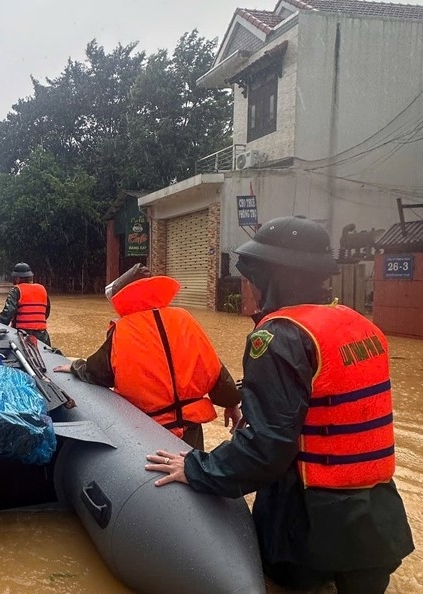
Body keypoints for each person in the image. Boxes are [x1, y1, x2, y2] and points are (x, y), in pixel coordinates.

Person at [146, 216, 414, 593]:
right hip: (377, 524)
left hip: (308, 526)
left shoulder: (279, 335)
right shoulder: (360, 324)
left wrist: (197, 468)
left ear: (273, 277)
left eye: (256, 276)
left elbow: (266, 448)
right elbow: (329, 397)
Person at [54, 264, 242, 449]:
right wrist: (232, 403)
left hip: (148, 431)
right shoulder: (184, 318)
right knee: (189, 475)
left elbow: (98, 372)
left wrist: (75, 366)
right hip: (191, 430)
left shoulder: (123, 330)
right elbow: (214, 368)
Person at [0, 262, 52, 346]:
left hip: (22, 333)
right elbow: (46, 312)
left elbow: (7, 314)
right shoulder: (42, 289)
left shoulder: (16, 290)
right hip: (42, 335)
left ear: (17, 278)